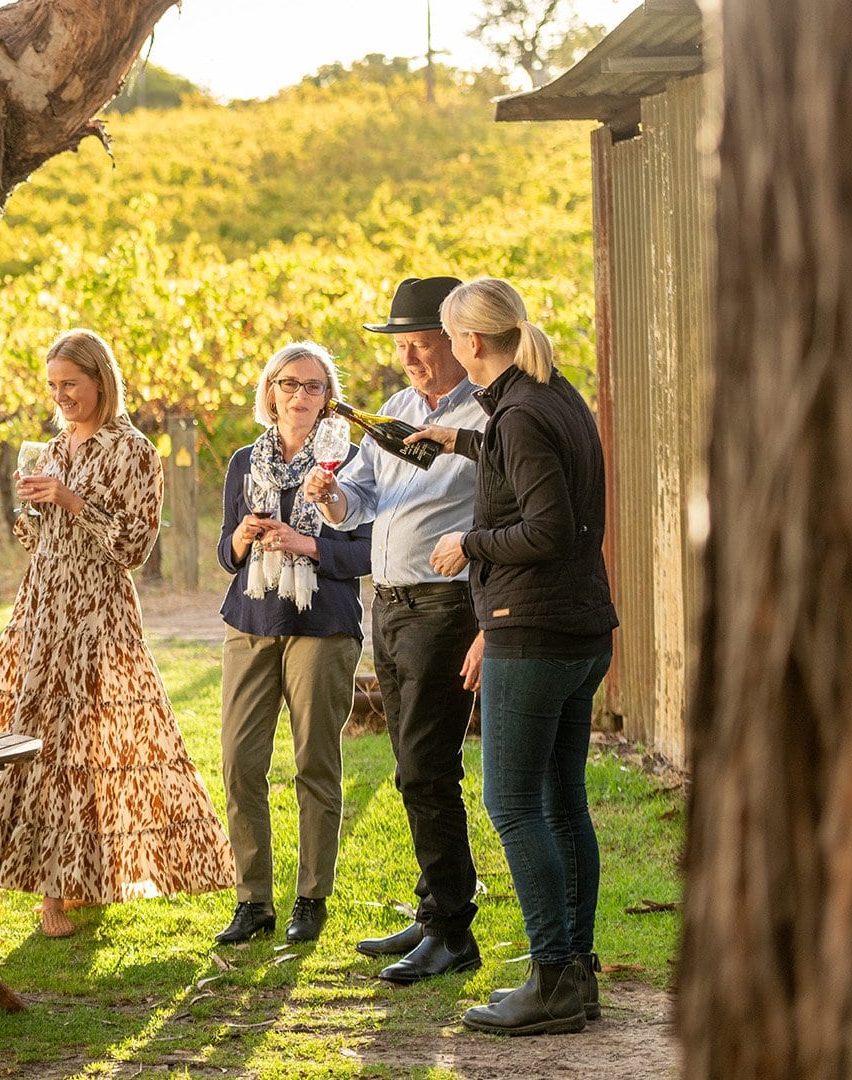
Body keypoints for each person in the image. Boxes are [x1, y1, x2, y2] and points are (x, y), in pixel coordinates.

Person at [0, 329, 235, 939]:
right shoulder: (55, 446)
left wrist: (71, 500)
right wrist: (33, 510)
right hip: (43, 608)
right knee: (39, 740)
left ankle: (75, 883)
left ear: (100, 382)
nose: (61, 396)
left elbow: (135, 547)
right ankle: (56, 889)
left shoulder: (133, 450)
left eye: (71, 385)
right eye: (53, 386)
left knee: (90, 745)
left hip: (97, 612)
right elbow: (36, 538)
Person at [409, 278, 617, 1036]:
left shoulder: (521, 413)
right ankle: (576, 975)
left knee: (513, 805)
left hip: (532, 634)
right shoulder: (548, 394)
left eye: (447, 337)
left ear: (469, 343)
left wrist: (469, 543)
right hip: (580, 633)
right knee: (562, 804)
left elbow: (548, 527)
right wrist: (456, 439)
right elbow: (524, 460)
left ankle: (553, 978)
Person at [301, 275, 489, 983]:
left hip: (447, 604)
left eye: (422, 344)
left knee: (423, 765)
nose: (410, 358)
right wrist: (333, 495)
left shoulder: (484, 416)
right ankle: (434, 907)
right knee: (417, 766)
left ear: (458, 341)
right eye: (402, 346)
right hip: (394, 604)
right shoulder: (394, 410)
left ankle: (451, 930)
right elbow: (361, 501)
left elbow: (503, 501)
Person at [212, 342, 374, 946]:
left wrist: (309, 546)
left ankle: (311, 897)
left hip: (322, 622)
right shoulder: (241, 463)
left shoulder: (349, 463)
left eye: (312, 386)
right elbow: (224, 553)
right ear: (270, 390)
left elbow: (366, 550)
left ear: (327, 398)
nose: (299, 395)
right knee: (239, 762)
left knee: (313, 761)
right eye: (288, 383)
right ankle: (253, 901)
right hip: (250, 622)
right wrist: (242, 538)